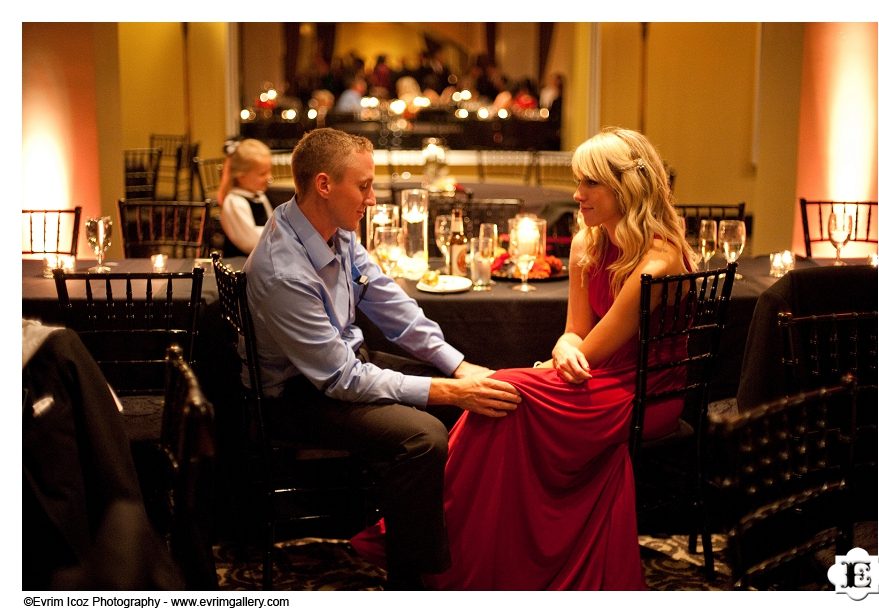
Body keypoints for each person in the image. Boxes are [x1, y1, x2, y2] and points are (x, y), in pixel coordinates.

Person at [352, 126, 696, 589]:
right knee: (499, 398)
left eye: (589, 183)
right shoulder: (587, 244)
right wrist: (562, 348)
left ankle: (435, 537)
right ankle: (460, 544)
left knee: (503, 392)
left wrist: (563, 356)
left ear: (624, 186)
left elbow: (593, 349)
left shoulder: (658, 262)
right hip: (595, 379)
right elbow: (576, 334)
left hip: (643, 393)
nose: (577, 195)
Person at [241, 127, 521, 589]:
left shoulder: (333, 229)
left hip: (338, 368)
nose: (372, 198)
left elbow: (391, 305)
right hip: (295, 397)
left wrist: (456, 366)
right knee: (424, 436)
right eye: (364, 185)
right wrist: (450, 391)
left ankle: (467, 543)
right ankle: (413, 583)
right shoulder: (283, 269)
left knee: (471, 388)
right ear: (325, 185)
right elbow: (340, 379)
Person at [218, 138, 274, 256]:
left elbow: (271, 225)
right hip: (241, 266)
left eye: (269, 171)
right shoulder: (235, 202)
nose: (269, 177)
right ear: (241, 176)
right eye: (262, 174)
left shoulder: (259, 196)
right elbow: (251, 242)